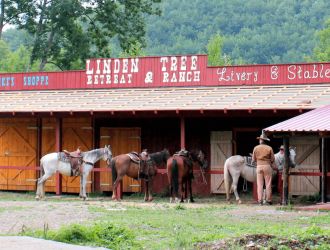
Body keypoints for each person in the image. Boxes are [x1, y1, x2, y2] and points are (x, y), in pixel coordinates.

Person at [252, 131, 276, 205]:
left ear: (261, 140)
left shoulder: (256, 148)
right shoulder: (269, 148)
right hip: (267, 167)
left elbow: (253, 160)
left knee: (260, 184)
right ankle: (268, 200)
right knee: (268, 184)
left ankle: (260, 201)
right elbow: (272, 159)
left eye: (259, 139)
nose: (259, 140)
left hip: (259, 167)